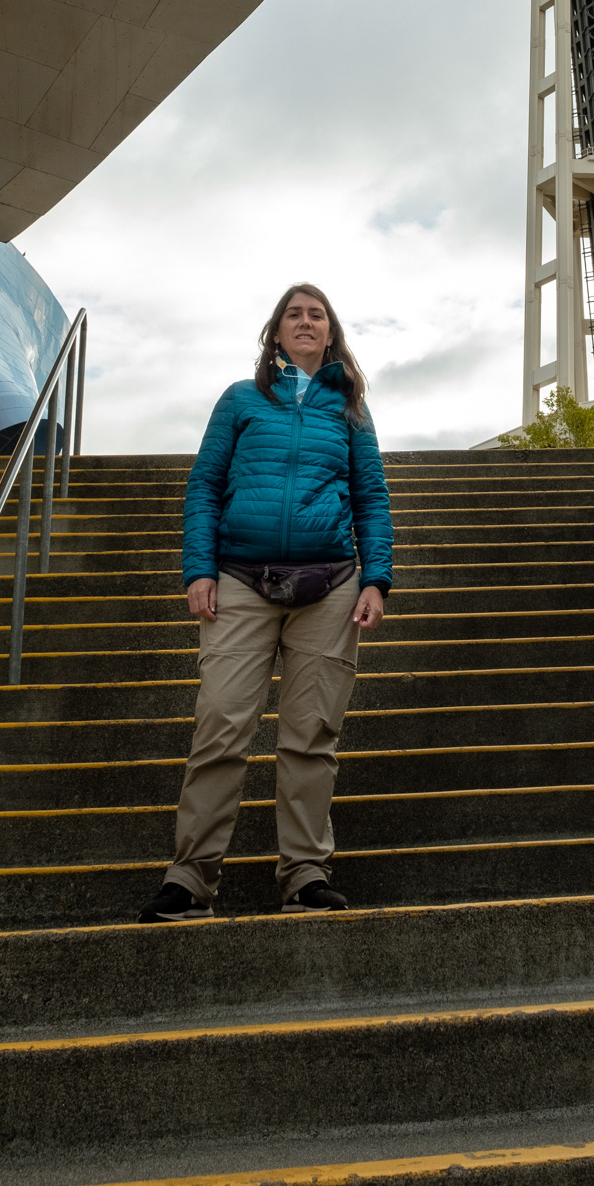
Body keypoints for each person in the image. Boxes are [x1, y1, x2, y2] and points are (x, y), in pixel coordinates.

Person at [139, 283, 392, 920]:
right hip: (240, 583)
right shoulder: (241, 399)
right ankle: (190, 881)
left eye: (316, 315)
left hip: (330, 588)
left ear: (330, 334)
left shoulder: (351, 409)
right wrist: (198, 570)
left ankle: (305, 874)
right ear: (275, 332)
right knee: (220, 726)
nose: (305, 322)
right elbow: (205, 485)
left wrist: (376, 579)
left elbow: (371, 498)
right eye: (293, 314)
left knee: (311, 737)